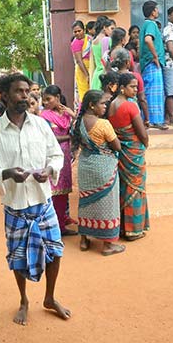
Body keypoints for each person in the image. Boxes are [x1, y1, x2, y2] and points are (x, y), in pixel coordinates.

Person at [0, 72, 71, 326]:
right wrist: (7, 173)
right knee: (17, 257)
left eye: (27, 91)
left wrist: (49, 170)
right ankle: (23, 300)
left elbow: (56, 155)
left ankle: (49, 298)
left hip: (43, 202)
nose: (26, 96)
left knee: (55, 252)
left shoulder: (41, 125)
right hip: (15, 206)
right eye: (19, 91)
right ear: (5, 95)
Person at [72, 90, 126, 256]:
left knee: (86, 203)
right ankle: (108, 245)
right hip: (104, 169)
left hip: (86, 167)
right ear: (91, 105)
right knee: (107, 205)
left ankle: (84, 240)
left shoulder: (78, 122)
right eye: (102, 103)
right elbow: (117, 146)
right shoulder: (103, 124)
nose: (105, 106)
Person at [108, 73, 150, 240]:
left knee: (123, 188)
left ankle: (122, 228)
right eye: (132, 86)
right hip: (133, 152)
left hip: (120, 152)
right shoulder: (130, 106)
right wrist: (145, 144)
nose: (136, 89)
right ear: (122, 88)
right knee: (135, 188)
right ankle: (134, 229)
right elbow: (142, 134)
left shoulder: (111, 105)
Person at [41, 85, 78, 236]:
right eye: (43, 100)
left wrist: (73, 114)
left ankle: (62, 221)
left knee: (63, 192)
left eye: (48, 99)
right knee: (53, 191)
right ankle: (55, 227)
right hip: (52, 156)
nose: (45, 103)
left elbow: (79, 128)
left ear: (57, 97)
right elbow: (50, 138)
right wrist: (70, 138)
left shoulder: (65, 114)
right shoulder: (44, 116)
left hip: (66, 156)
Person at [139, 0, 168, 130]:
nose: (158, 11)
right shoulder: (151, 24)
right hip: (152, 62)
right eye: (156, 9)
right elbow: (148, 39)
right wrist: (155, 56)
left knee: (151, 91)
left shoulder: (145, 24)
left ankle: (150, 119)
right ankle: (155, 120)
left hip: (147, 62)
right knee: (155, 91)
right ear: (152, 11)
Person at [110, 49, 149, 121]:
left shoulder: (111, 76)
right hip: (133, 111)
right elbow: (142, 99)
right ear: (128, 62)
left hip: (114, 110)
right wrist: (146, 118)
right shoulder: (135, 76)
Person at [90, 18, 115, 90]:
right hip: (105, 74)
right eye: (111, 29)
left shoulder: (94, 42)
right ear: (104, 28)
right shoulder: (108, 40)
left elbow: (93, 63)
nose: (112, 32)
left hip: (96, 75)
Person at [71, 20, 91, 102]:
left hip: (91, 66)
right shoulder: (75, 43)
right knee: (84, 93)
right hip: (82, 69)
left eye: (79, 31)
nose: (77, 33)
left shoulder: (89, 38)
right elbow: (79, 61)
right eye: (75, 32)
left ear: (84, 30)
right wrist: (87, 75)